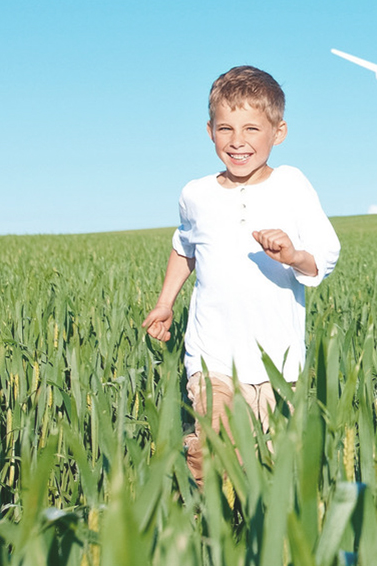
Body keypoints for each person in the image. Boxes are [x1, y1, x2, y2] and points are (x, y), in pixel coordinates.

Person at [143, 65, 341, 484]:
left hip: (278, 363)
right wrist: (165, 303)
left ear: (278, 132)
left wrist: (293, 255)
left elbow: (324, 258)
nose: (237, 141)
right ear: (210, 131)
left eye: (252, 129)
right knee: (219, 448)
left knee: (269, 468)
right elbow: (184, 247)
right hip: (212, 357)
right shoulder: (196, 194)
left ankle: (244, 517)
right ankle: (198, 509)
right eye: (225, 129)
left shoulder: (292, 185)